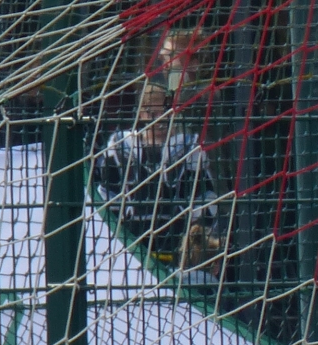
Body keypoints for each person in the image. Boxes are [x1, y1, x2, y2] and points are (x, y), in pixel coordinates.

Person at [93, 78, 223, 271]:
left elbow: (206, 199)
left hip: (178, 251)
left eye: (164, 111)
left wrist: (196, 232)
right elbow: (105, 197)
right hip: (128, 250)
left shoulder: (188, 148)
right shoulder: (120, 147)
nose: (158, 119)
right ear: (141, 113)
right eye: (151, 112)